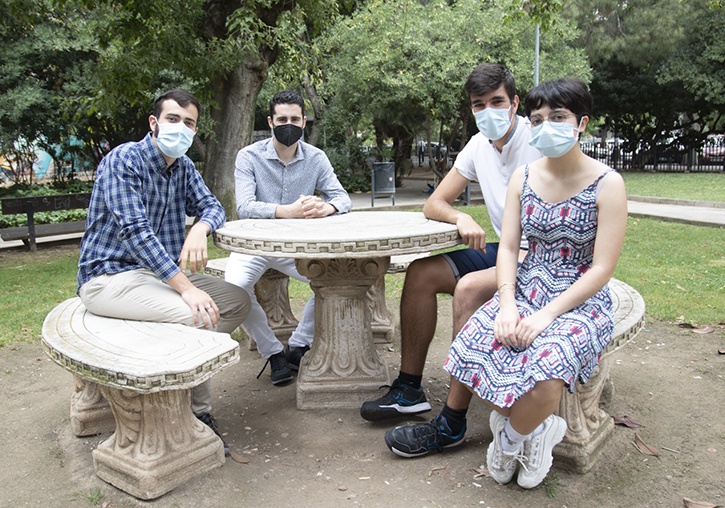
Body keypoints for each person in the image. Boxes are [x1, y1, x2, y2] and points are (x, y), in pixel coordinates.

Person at [384, 78, 628, 489]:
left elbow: (602, 269)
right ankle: (498, 427)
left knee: (549, 371)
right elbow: (510, 248)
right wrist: (509, 304)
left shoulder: (608, 184)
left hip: (578, 295)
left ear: (581, 123)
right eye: (538, 119)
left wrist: (547, 315)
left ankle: (512, 436)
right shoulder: (524, 177)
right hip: (526, 284)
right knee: (473, 343)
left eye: (559, 117)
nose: (547, 125)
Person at [360, 63, 542, 421]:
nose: (488, 111)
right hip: (503, 251)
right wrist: (462, 216)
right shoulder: (477, 147)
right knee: (421, 273)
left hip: (541, 258)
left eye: (497, 101)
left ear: (515, 103)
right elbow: (435, 203)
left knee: (469, 289)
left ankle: (455, 413)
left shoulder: (538, 143)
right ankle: (409, 389)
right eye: (479, 104)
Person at [77, 88, 252, 455]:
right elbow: (136, 232)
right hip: (110, 277)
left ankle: (172, 364)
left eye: (189, 123)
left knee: (236, 301)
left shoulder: (184, 167)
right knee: (199, 315)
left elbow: (213, 206)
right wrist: (186, 289)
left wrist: (200, 228)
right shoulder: (124, 160)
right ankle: (198, 414)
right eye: (173, 119)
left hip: (158, 277)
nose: (181, 128)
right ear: (154, 123)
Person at [225, 90, 352, 386]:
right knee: (234, 291)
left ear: (304, 121)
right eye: (282, 118)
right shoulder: (249, 156)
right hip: (253, 245)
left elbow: (342, 197)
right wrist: (288, 211)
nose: (288, 124)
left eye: (295, 118)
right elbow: (244, 206)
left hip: (298, 248)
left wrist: (326, 207)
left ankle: (298, 345)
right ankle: (273, 353)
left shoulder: (316, 158)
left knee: (333, 280)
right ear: (270, 121)